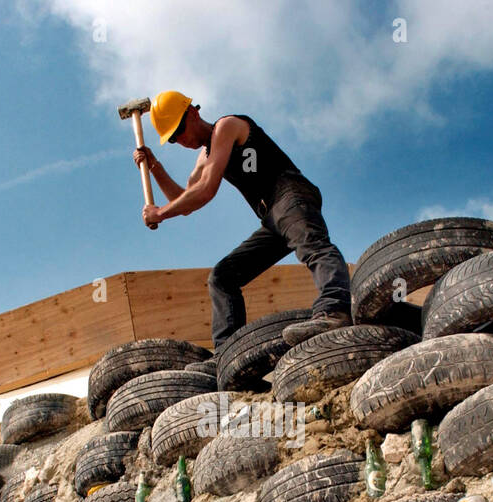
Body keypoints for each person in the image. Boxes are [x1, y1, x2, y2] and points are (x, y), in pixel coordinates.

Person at [132, 90, 352, 350]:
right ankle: (228, 353)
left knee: (312, 246)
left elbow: (205, 190)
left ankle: (335, 310)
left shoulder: (227, 127)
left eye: (179, 129)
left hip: (289, 193)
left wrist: (161, 213)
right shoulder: (204, 157)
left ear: (193, 113)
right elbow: (184, 199)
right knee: (222, 277)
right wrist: (155, 167)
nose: (180, 140)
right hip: (270, 217)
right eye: (172, 139)